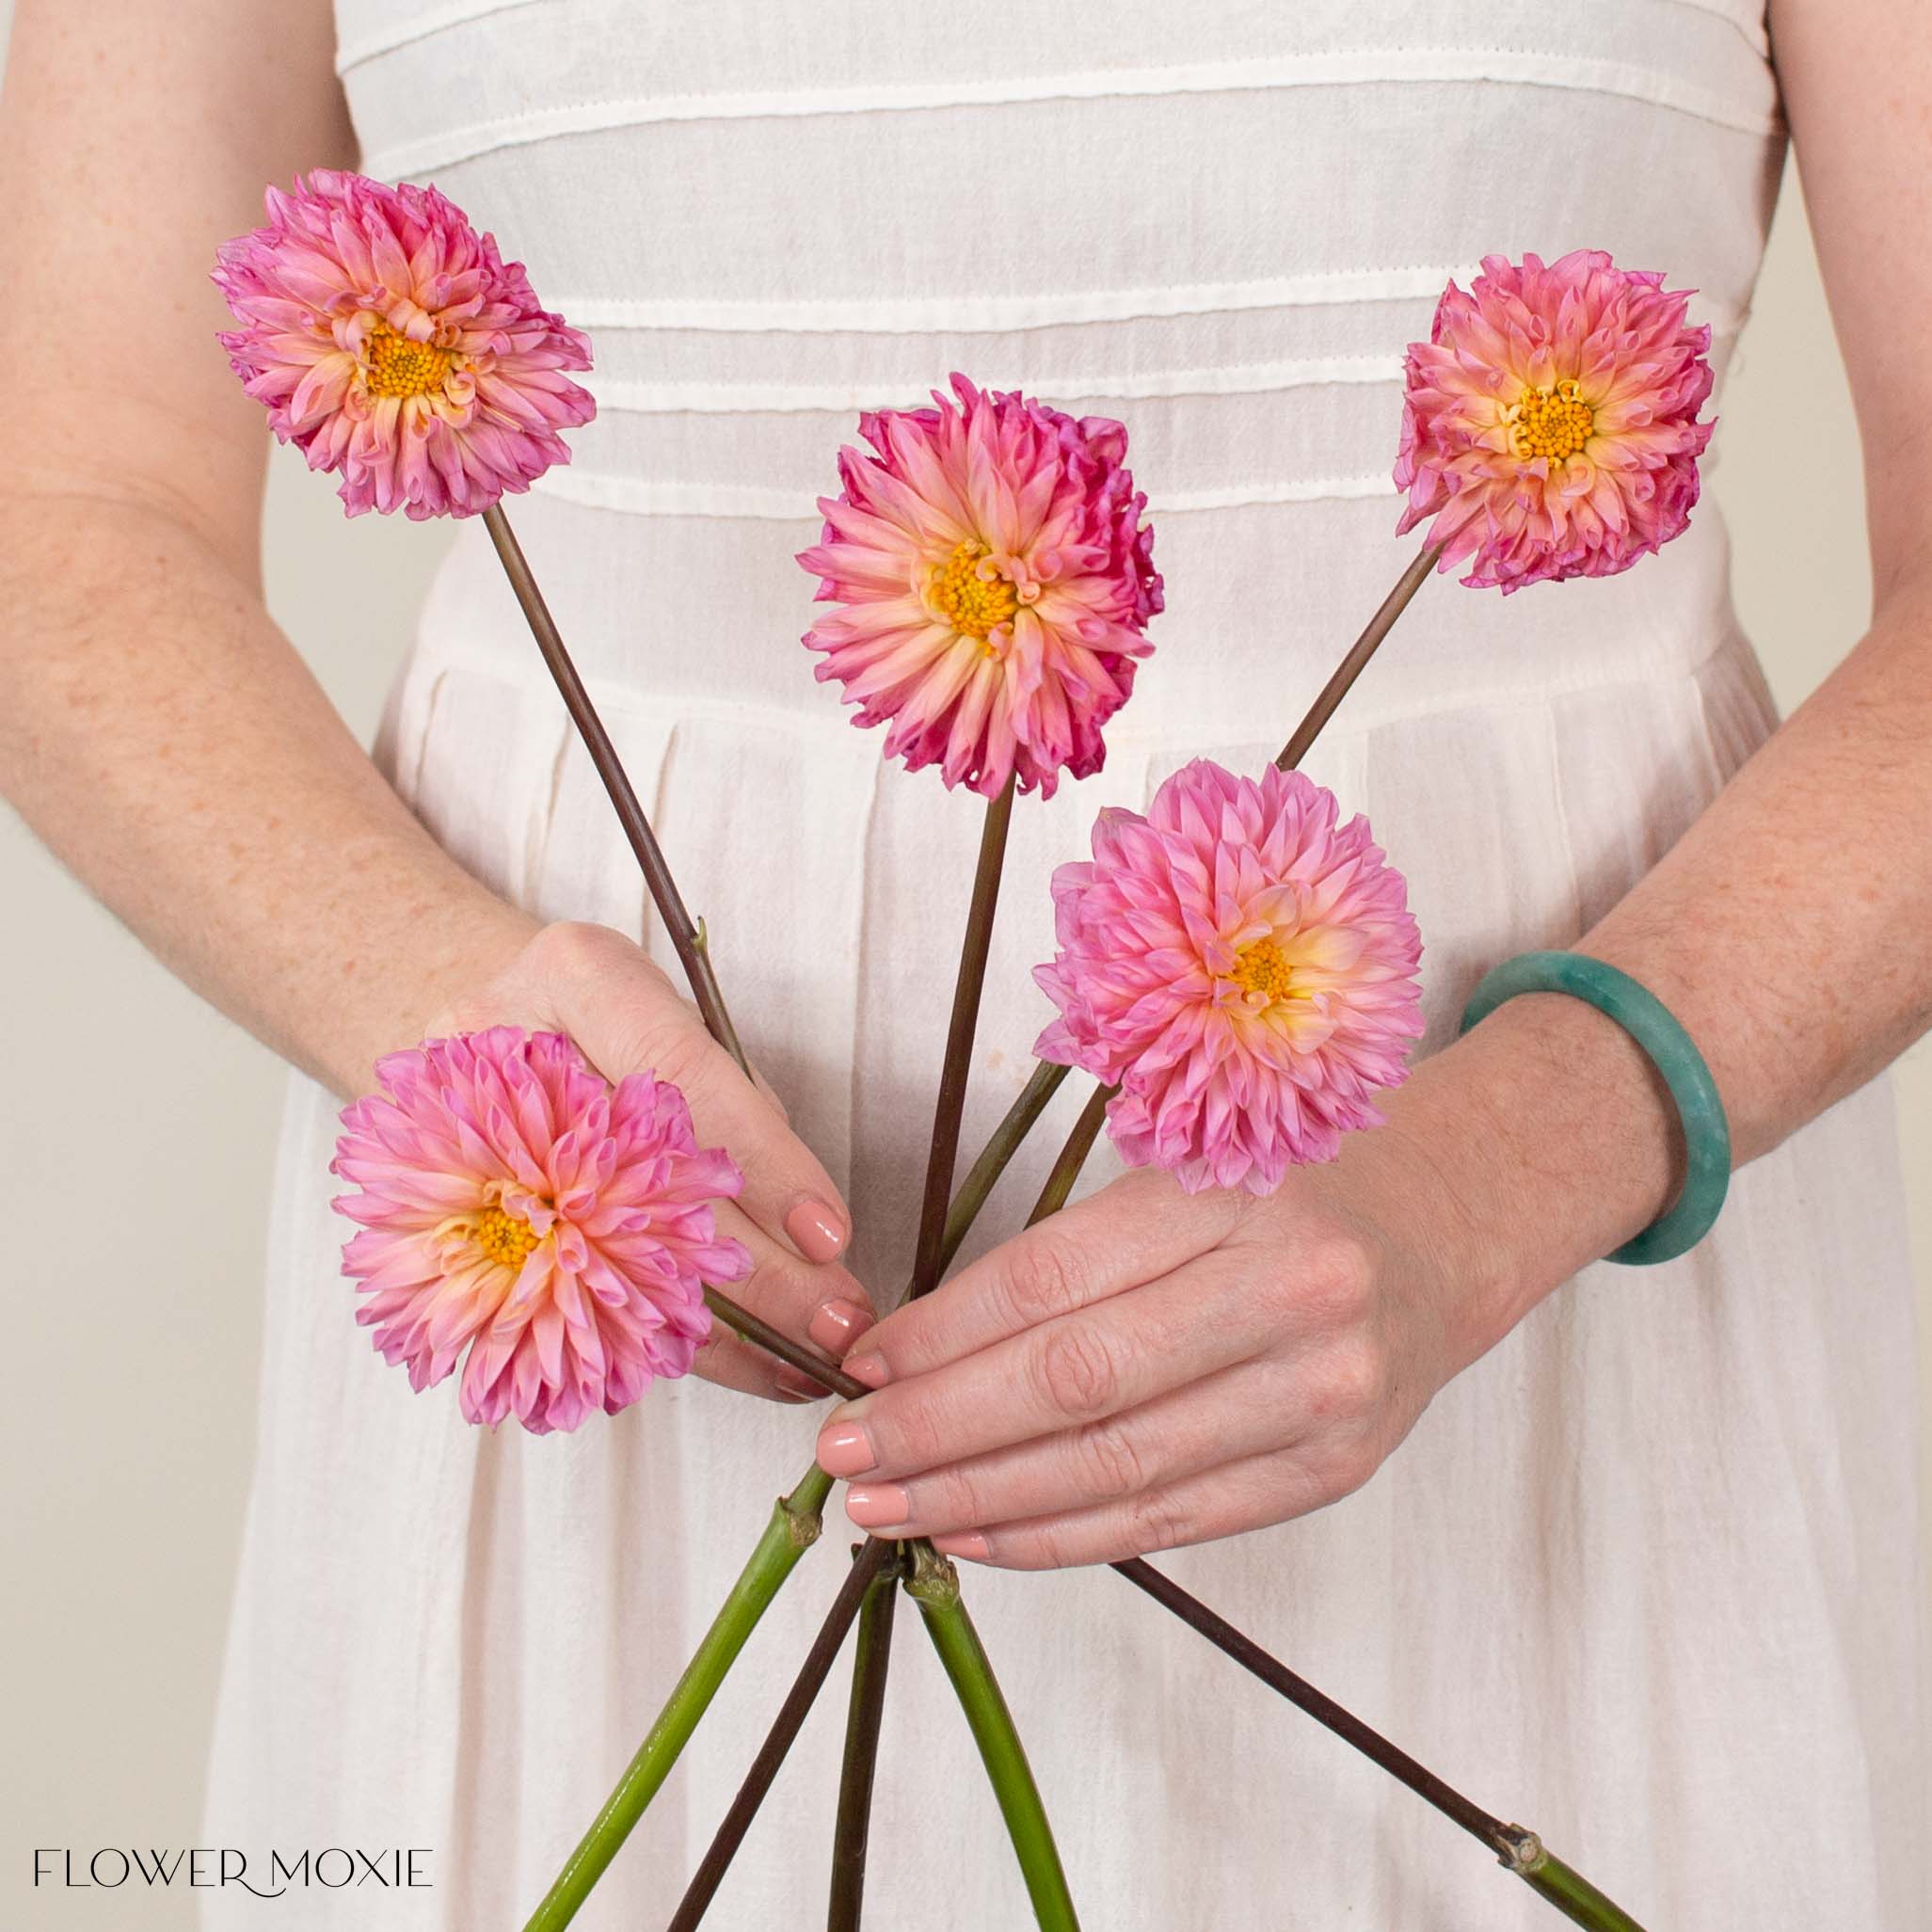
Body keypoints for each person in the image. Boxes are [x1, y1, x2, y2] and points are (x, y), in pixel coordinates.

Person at [2, 0, 1924, 1924]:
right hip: (599, 1315)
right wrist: (445, 1019)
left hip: (1534, 1294)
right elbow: (68, 502)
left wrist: (1501, 1167)